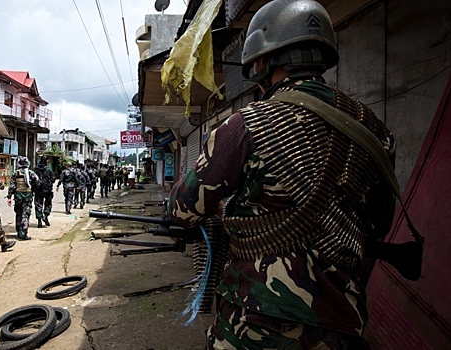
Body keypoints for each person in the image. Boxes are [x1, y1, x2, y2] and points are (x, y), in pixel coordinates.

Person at [167, 1, 396, 349]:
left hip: (256, 321)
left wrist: (229, 213)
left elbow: (181, 211)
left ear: (262, 60)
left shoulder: (248, 123)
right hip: (342, 321)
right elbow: (378, 225)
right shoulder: (374, 129)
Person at [6, 156, 39, 240]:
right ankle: (23, 233)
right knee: (25, 214)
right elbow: (37, 183)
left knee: (19, 213)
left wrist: (9, 197)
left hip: (18, 197)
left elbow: (12, 186)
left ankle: (18, 231)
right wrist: (32, 189)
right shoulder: (31, 173)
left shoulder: (15, 173)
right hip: (28, 196)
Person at [33, 155, 55, 227]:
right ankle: (45, 216)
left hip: (38, 189)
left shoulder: (35, 169)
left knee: (38, 204)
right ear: (47, 161)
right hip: (47, 189)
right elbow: (53, 179)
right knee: (48, 203)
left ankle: (39, 220)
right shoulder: (48, 170)